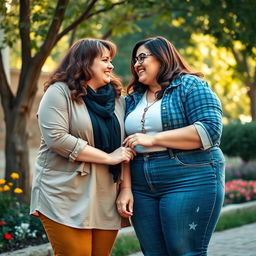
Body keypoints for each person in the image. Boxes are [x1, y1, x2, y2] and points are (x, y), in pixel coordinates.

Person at [30, 38, 135, 256]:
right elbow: (57, 139)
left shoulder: (117, 100)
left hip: (106, 194)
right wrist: (108, 158)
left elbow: (124, 148)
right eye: (105, 60)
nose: (111, 66)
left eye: (111, 60)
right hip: (64, 192)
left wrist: (125, 189)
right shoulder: (59, 93)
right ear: (85, 63)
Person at [122, 36, 225, 256]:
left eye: (143, 57)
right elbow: (123, 145)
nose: (136, 64)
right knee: (153, 253)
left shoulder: (190, 85)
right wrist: (125, 188)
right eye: (134, 60)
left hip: (189, 176)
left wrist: (153, 139)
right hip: (141, 184)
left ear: (162, 56)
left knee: (184, 251)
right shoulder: (132, 99)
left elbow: (209, 130)